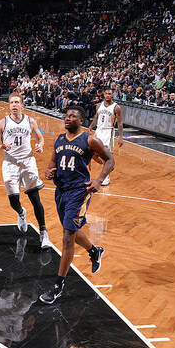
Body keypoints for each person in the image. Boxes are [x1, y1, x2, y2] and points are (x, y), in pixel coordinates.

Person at [39, 106, 114, 304]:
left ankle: (58, 285)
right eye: (66, 115)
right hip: (61, 191)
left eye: (72, 116)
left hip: (79, 193)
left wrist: (98, 180)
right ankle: (94, 251)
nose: (67, 118)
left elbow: (110, 160)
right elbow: (52, 162)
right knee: (69, 229)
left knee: (67, 237)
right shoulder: (59, 139)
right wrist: (49, 171)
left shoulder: (89, 140)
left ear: (81, 121)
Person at [0, 92, 50, 248]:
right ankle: (21, 213)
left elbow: (40, 138)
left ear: (22, 105)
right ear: (9, 106)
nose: (14, 105)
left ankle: (44, 233)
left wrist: (40, 145)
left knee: (34, 197)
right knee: (13, 200)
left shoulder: (31, 121)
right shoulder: (2, 123)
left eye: (17, 102)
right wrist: (2, 146)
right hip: (10, 164)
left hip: (27, 162)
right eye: (12, 103)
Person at [88, 88, 122, 186]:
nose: (107, 95)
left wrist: (120, 137)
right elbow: (96, 118)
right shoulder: (98, 105)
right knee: (92, 153)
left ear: (112, 95)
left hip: (108, 131)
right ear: (103, 94)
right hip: (98, 130)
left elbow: (120, 123)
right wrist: (90, 126)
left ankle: (106, 177)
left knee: (105, 155)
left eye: (109, 94)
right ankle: (109, 166)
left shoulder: (116, 107)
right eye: (106, 93)